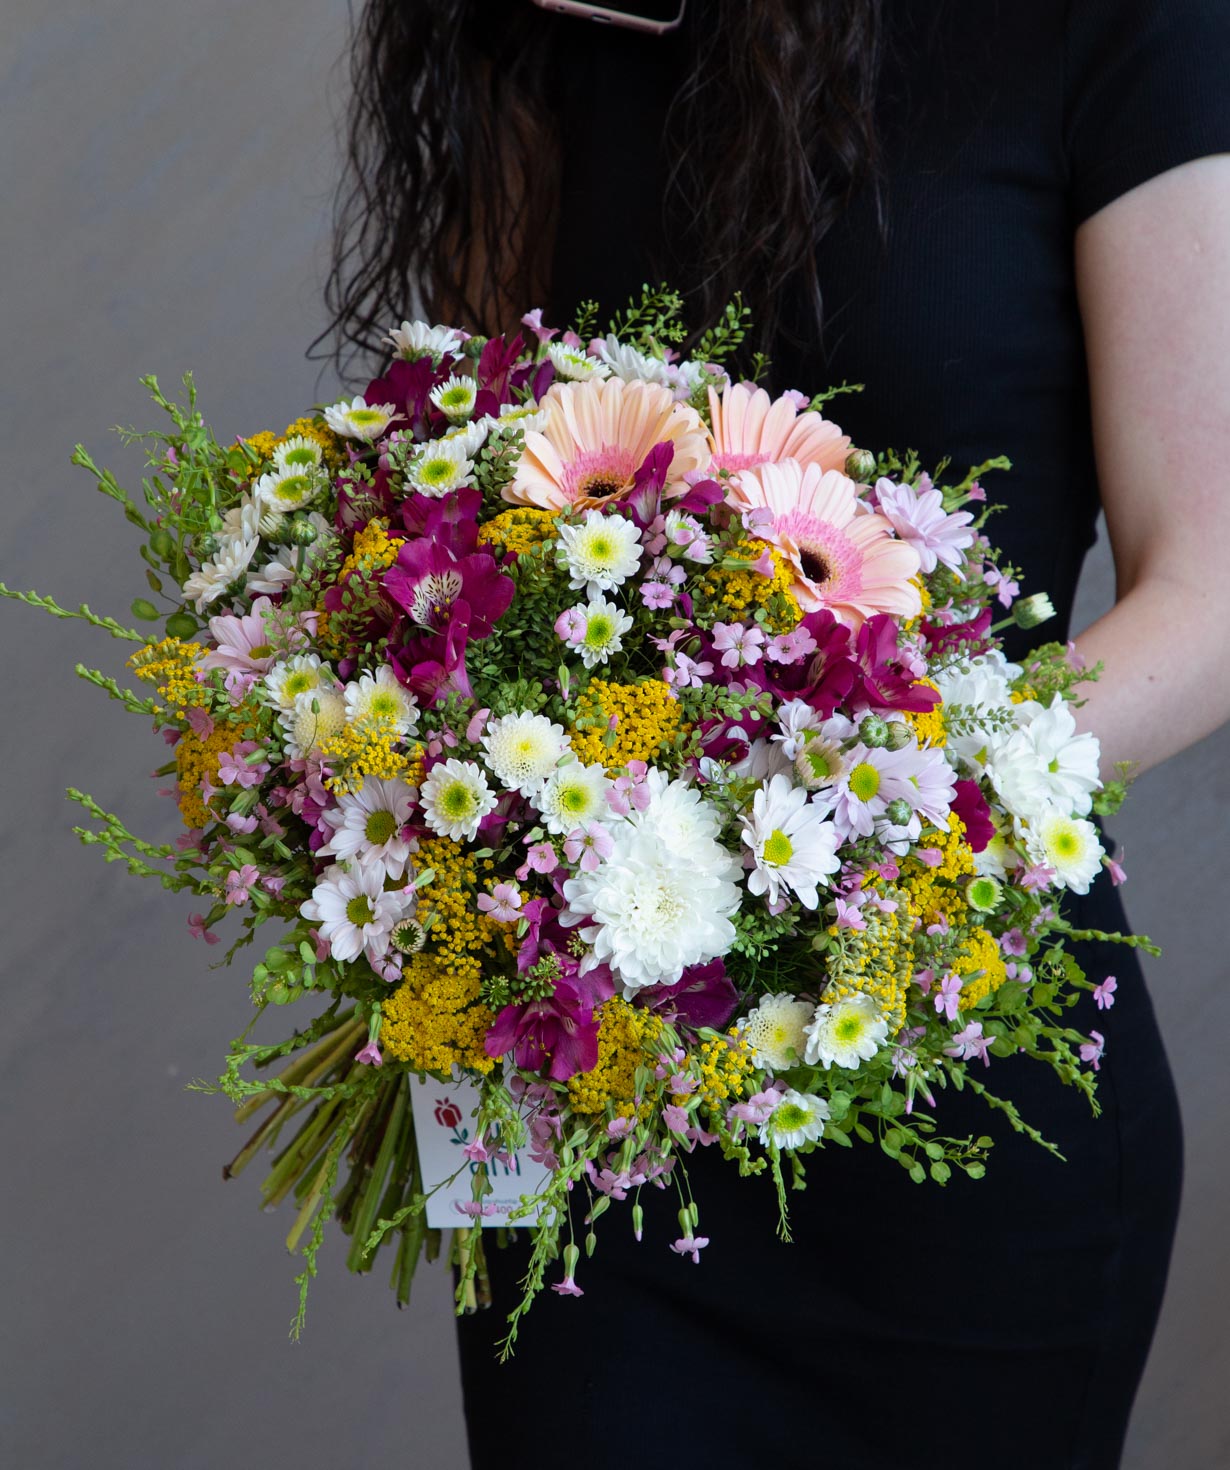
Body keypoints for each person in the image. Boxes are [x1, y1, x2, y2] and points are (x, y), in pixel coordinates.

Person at [320, 3, 1230, 1465]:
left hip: (952, 1077)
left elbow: (1212, 585)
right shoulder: (544, 25)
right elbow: (488, 507)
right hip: (594, 1097)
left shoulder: (1124, 22)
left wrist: (846, 796)